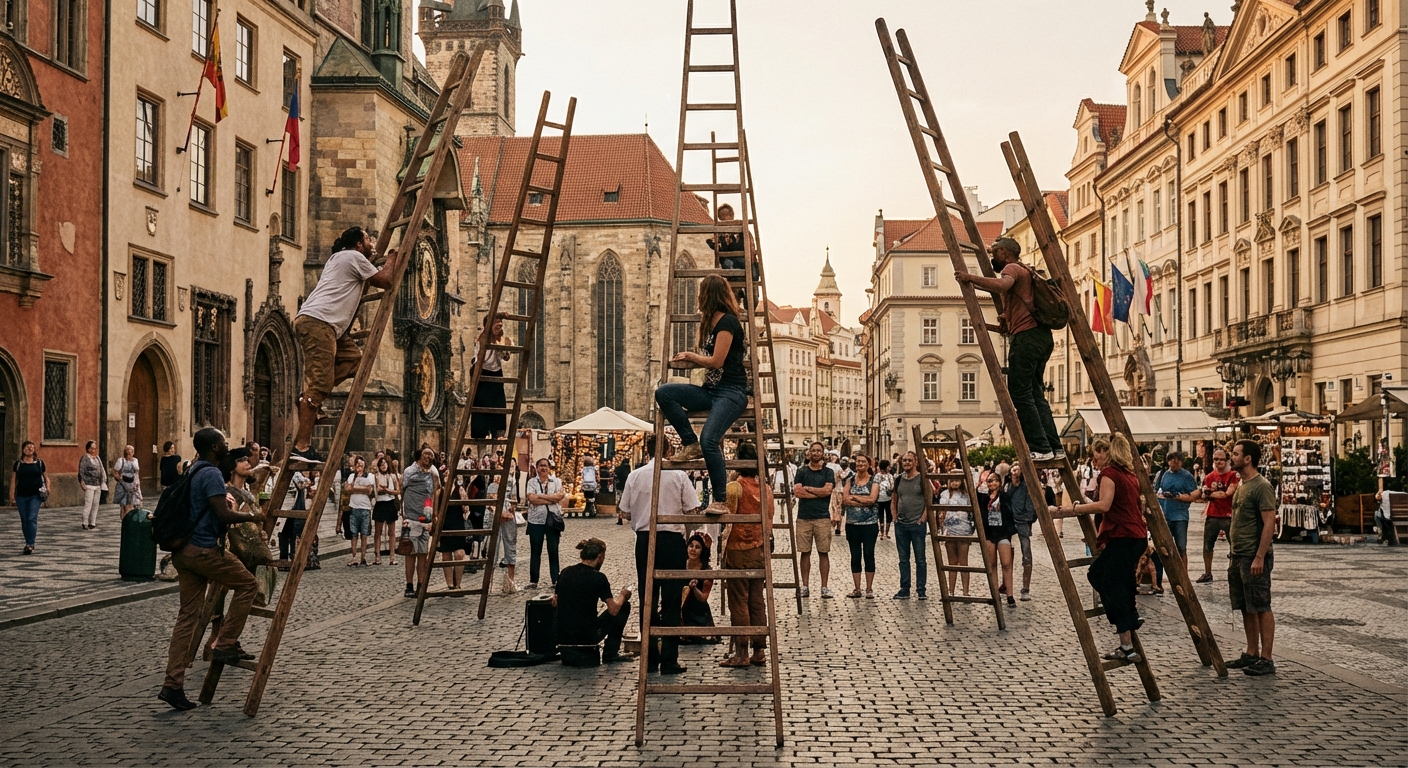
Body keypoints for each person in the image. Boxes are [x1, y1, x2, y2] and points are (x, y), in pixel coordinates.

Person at [158, 427, 264, 711]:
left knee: (187, 617)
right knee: (247, 585)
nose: (226, 447)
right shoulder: (211, 474)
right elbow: (223, 514)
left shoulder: (193, 470)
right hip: (204, 550)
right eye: (223, 443)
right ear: (215, 447)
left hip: (184, 552)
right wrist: (252, 516)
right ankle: (225, 643)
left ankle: (173, 684)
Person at [290, 226, 401, 465]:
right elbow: (386, 280)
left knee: (354, 360)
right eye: (368, 239)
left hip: (329, 327)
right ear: (359, 245)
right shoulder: (352, 257)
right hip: (320, 322)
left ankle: (311, 399)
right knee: (318, 386)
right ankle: (301, 446)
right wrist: (392, 258)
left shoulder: (343, 258)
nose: (372, 243)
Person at [955, 238, 1061, 460]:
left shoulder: (1012, 268)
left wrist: (969, 279)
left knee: (1020, 393)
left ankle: (1040, 448)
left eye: (995, 253)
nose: (993, 257)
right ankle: (1054, 447)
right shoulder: (1027, 271)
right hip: (1041, 337)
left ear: (1004, 252)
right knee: (1035, 393)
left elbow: (1002, 285)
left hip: (1027, 338)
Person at [656, 275, 750, 516]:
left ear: (709, 295)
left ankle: (720, 499)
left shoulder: (728, 322)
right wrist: (687, 361)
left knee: (710, 440)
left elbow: (717, 361)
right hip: (711, 391)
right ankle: (689, 442)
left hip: (731, 392)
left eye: (701, 293)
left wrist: (692, 356)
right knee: (664, 393)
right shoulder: (711, 323)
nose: (698, 297)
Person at [1059, 435, 1147, 664]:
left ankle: (1126, 636)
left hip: (1124, 536)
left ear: (1106, 452)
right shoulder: (1129, 475)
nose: (1093, 459)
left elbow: (1104, 505)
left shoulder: (1110, 474)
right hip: (1134, 536)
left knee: (1100, 577)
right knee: (1120, 582)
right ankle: (1129, 623)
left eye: (1096, 454)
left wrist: (1077, 508)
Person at [618, 436, 695, 674]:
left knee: (647, 598)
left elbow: (624, 512)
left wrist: (644, 517)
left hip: (644, 540)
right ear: (670, 449)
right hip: (672, 541)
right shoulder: (679, 475)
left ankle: (649, 659)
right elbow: (692, 509)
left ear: (647, 451)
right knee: (672, 601)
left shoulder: (635, 475)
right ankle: (669, 660)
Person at [1225, 439, 1278, 676]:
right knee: (1247, 607)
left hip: (1253, 556)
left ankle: (1266, 658)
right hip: (1238, 555)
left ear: (1248, 459)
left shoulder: (1261, 486)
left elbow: (1269, 524)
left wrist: (1259, 556)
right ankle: (1251, 652)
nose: (1232, 457)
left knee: (1261, 605)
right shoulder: (1241, 484)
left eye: (1236, 454)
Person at [722, 440, 769, 668]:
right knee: (757, 600)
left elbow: (725, 516)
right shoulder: (766, 489)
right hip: (759, 549)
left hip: (737, 549)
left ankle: (741, 653)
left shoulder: (734, 487)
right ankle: (759, 650)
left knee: (738, 601)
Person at [553, 537, 633, 664]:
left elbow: (555, 601)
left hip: (563, 635)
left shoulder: (565, 572)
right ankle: (610, 652)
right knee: (624, 607)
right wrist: (623, 595)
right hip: (586, 635)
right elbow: (613, 610)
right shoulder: (598, 578)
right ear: (600, 556)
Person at [792, 441, 835, 599]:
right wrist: (818, 492)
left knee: (824, 552)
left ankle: (824, 587)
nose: (816, 453)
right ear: (809, 453)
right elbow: (798, 492)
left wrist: (809, 489)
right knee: (805, 552)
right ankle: (805, 586)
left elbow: (828, 491)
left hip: (822, 517)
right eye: (813, 450)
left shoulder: (828, 472)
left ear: (823, 453)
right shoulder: (801, 471)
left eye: (819, 450)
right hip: (804, 518)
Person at [1153, 452, 1198, 593]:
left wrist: (1180, 497)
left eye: (1178, 461)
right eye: (1173, 461)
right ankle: (1159, 580)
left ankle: (1184, 578)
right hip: (1166, 515)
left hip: (1180, 516)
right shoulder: (1164, 474)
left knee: (1181, 547)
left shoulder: (1187, 476)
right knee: (1162, 548)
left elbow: (1195, 494)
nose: (1175, 463)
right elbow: (1157, 491)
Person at [1193, 448, 1239, 582]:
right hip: (1212, 514)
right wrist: (1208, 494)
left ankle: (1234, 571)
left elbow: (1227, 493)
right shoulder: (1209, 477)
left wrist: (1210, 494)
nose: (1218, 462)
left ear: (1227, 460)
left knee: (1234, 545)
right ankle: (1208, 572)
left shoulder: (1233, 475)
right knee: (1207, 545)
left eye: (1221, 459)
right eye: (1216, 459)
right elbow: (1203, 495)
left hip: (1229, 515)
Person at [401, 447, 440, 598]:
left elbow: (437, 491)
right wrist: (403, 512)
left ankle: (421, 585)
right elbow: (402, 490)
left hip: (426, 518)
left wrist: (435, 514)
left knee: (423, 553)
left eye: (431, 455)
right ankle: (409, 584)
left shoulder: (434, 473)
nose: (428, 457)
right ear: (419, 456)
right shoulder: (409, 472)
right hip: (410, 518)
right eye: (426, 454)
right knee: (409, 552)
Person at [841, 454, 880, 599]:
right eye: (858, 461)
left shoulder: (874, 480)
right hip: (852, 524)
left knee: (869, 554)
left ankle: (869, 589)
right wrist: (863, 500)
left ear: (868, 464)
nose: (860, 463)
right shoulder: (849, 480)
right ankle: (857, 588)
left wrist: (855, 497)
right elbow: (845, 500)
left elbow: (872, 499)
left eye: (863, 461)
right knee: (855, 556)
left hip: (869, 525)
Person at [891, 451, 928, 600]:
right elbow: (894, 498)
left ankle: (921, 589)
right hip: (901, 525)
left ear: (916, 462)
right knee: (903, 559)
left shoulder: (922, 479)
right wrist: (894, 516)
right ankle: (905, 589)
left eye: (909, 460)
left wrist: (923, 517)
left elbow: (928, 500)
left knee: (920, 559)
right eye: (904, 460)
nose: (906, 463)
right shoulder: (899, 479)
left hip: (917, 524)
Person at [471, 312, 513, 440]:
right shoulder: (482, 339)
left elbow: (506, 356)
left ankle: (496, 443)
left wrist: (504, 349)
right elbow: (478, 358)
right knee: (481, 410)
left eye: (500, 325)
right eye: (495, 325)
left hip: (496, 372)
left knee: (498, 408)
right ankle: (481, 443)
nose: (499, 327)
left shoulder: (504, 338)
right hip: (482, 371)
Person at [524, 458, 565, 589]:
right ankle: (533, 580)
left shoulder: (556, 481)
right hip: (536, 520)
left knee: (553, 550)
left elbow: (559, 497)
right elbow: (532, 499)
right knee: (535, 551)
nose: (543, 468)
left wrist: (540, 496)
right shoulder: (531, 482)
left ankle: (555, 579)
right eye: (541, 466)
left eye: (545, 466)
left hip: (553, 520)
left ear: (549, 468)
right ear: (537, 468)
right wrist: (551, 499)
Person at [981, 473, 1017, 607]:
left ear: (999, 482)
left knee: (1006, 563)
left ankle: (1010, 594)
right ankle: (995, 594)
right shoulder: (984, 498)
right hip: (990, 533)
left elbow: (1010, 513)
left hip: (1003, 533)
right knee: (992, 565)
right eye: (989, 481)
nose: (992, 484)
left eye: (995, 481)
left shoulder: (1005, 496)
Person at [938, 478, 974, 596]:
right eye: (952, 480)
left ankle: (965, 591)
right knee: (952, 562)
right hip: (949, 530)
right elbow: (940, 510)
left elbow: (971, 512)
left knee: (963, 562)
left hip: (963, 530)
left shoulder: (966, 495)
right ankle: (951, 590)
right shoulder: (944, 494)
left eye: (957, 480)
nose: (955, 483)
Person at [1007, 464, 1038, 601]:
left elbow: (1031, 504)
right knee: (1006, 552)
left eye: (1018, 469)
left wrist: (1028, 520)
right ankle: (1005, 584)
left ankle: (1026, 588)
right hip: (1009, 520)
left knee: (1026, 553)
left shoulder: (1027, 486)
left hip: (1023, 521)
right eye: (1013, 469)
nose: (1016, 472)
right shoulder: (1008, 486)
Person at [11, 441, 47, 554]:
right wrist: (12, 496)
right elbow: (13, 480)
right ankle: (27, 541)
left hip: (35, 495)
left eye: (32, 447)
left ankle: (30, 544)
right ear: (23, 450)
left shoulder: (39, 463)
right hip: (21, 495)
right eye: (27, 447)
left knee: (31, 518)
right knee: (24, 520)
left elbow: (46, 477)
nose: (29, 449)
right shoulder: (18, 464)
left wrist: (48, 489)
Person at [680, 532, 717, 640]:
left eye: (697, 547)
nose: (693, 550)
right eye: (691, 546)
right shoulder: (680, 565)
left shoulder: (706, 570)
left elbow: (703, 598)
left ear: (702, 550)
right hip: (682, 608)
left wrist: (694, 588)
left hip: (698, 610)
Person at [343, 456, 374, 566]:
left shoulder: (369, 476)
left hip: (365, 508)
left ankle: (363, 557)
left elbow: (370, 491)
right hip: (354, 508)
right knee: (354, 534)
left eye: (361, 464)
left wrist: (355, 488)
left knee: (364, 534)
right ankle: (354, 556)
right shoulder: (352, 476)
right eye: (357, 464)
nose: (359, 466)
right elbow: (347, 489)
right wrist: (362, 488)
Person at [371, 455, 400, 566]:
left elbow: (397, 491)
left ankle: (392, 556)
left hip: (390, 503)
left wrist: (387, 490)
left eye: (385, 463)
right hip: (380, 504)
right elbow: (378, 490)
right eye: (381, 464)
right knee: (378, 531)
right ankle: (377, 555)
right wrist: (386, 491)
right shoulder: (376, 476)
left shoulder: (392, 476)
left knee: (391, 532)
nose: (383, 465)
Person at [78, 441, 105, 530]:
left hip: (97, 484)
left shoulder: (97, 458)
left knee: (95, 504)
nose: (94, 450)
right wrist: (82, 482)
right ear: (88, 448)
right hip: (88, 484)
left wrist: (102, 481)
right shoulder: (85, 458)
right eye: (92, 448)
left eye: (95, 448)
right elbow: (81, 471)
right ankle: (84, 522)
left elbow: (101, 469)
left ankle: (92, 522)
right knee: (88, 503)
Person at [112, 445, 141, 519]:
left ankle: (129, 521)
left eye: (131, 451)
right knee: (124, 505)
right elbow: (115, 472)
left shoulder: (135, 460)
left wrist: (137, 485)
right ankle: (124, 521)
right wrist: (120, 479)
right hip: (123, 485)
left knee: (131, 504)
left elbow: (137, 473)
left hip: (133, 484)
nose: (130, 453)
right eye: (128, 451)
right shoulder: (121, 460)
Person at [875, 459, 894, 541]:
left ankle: (883, 533)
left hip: (881, 498)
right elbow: (892, 486)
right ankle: (885, 533)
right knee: (886, 515)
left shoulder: (877, 476)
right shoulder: (889, 476)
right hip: (886, 498)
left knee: (882, 515)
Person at [612, 458, 631, 525]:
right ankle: (627, 516)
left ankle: (620, 516)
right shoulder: (629, 469)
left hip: (619, 487)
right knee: (626, 501)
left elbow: (615, 477)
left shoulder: (618, 469)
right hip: (626, 487)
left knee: (619, 501)